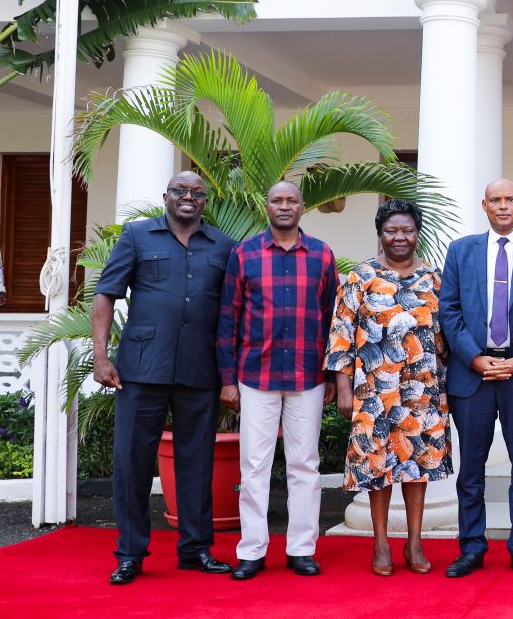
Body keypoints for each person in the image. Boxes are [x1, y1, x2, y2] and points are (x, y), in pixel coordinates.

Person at [91, 172, 235, 585]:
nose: (188, 197)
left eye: (197, 192)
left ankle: (195, 550)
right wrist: (101, 357)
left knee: (197, 464)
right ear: (166, 196)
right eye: (180, 191)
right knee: (132, 463)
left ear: (205, 201)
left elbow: (232, 313)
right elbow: (106, 293)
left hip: (199, 370)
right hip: (141, 369)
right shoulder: (137, 236)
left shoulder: (223, 247)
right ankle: (130, 554)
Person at [438, 179, 513, 579]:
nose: (503, 206)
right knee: (471, 469)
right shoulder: (461, 251)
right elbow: (449, 312)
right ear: (484, 205)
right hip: (472, 375)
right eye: (496, 200)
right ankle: (472, 547)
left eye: (510, 199)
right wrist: (475, 359)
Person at [217, 181, 339, 581]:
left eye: (291, 200)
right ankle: (252, 550)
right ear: (265, 205)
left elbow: (331, 319)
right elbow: (228, 319)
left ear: (303, 207)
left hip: (308, 374)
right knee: (254, 465)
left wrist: (335, 376)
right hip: (256, 374)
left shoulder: (322, 254)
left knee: (305, 464)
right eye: (276, 200)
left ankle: (301, 548)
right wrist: (228, 379)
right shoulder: (245, 253)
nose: (284, 206)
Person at [326, 199, 453, 576]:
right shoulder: (361, 278)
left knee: (418, 465)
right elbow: (341, 335)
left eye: (407, 230)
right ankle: (381, 544)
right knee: (377, 467)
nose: (400, 237)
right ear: (380, 234)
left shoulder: (434, 278)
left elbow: (447, 337)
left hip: (424, 390)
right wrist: (344, 388)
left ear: (417, 234)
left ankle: (414, 542)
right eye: (391, 231)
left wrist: (448, 389)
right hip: (374, 392)